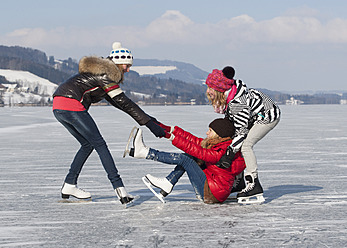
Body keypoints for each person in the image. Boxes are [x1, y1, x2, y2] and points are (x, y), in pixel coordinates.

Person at [52, 42, 166, 205]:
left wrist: (150, 120)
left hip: (58, 106)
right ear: (119, 63)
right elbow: (125, 103)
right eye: (127, 65)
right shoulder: (106, 76)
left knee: (87, 144)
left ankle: (70, 185)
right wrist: (149, 124)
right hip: (72, 105)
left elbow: (119, 103)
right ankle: (121, 191)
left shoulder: (99, 74)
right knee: (100, 145)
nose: (128, 69)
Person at [205, 66, 281, 204]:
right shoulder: (231, 96)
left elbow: (242, 131)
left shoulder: (237, 103)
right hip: (256, 116)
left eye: (211, 88)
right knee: (236, 144)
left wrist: (229, 153)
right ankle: (239, 183)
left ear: (220, 90)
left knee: (245, 145)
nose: (208, 91)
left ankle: (253, 184)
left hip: (268, 116)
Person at [127, 118, 246, 204]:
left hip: (211, 193)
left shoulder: (222, 151)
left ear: (219, 134)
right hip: (212, 187)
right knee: (188, 157)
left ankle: (146, 153)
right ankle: (168, 182)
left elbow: (199, 151)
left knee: (186, 159)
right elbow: (193, 140)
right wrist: (168, 129)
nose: (207, 133)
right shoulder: (217, 144)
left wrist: (170, 137)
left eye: (210, 130)